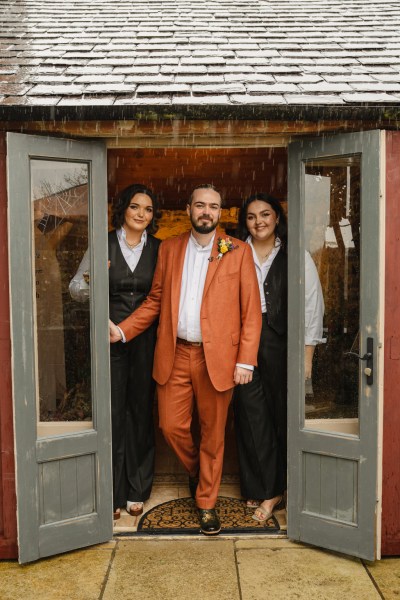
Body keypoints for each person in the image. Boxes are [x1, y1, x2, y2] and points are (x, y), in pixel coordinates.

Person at [109, 184, 262, 535]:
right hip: (175, 352)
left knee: (213, 433)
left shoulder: (237, 251)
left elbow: (251, 312)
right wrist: (122, 330)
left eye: (213, 206)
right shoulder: (171, 248)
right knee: (170, 426)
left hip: (219, 358)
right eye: (200, 205)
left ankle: (207, 502)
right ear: (189, 209)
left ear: (220, 213)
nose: (206, 211)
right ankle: (199, 471)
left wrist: (245, 361)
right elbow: (155, 300)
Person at [70, 183, 161, 520]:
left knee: (140, 410)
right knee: (112, 412)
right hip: (108, 337)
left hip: (146, 340)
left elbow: (162, 296)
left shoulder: (160, 249)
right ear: (123, 208)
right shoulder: (103, 243)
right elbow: (75, 287)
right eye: (136, 207)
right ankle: (112, 491)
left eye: (148, 210)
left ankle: (137, 487)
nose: (142, 214)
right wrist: (96, 284)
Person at [233, 193, 324, 522]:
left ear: (276, 218)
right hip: (242, 341)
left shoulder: (294, 254)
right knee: (250, 415)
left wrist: (307, 358)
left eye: (265, 214)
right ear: (245, 221)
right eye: (252, 216)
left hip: (280, 341)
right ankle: (260, 485)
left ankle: (280, 490)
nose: (259, 221)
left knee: (281, 415)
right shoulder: (232, 251)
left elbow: (312, 306)